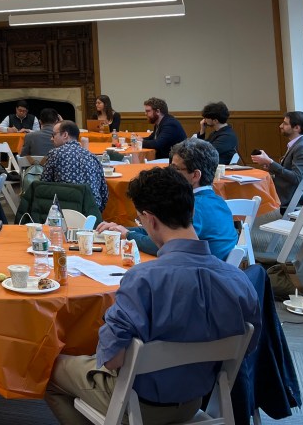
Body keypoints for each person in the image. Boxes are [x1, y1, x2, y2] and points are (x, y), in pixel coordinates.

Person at [46, 166, 260, 425]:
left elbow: (112, 360)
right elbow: (247, 346)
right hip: (195, 400)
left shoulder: (142, 279)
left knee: (47, 370)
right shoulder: (239, 281)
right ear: (191, 210)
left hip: (137, 405)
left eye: (139, 220)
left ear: (150, 219)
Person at [98, 138, 238, 260]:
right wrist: (121, 229)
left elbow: (164, 245)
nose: (170, 173)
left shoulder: (195, 207)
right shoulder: (219, 201)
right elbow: (164, 230)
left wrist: (128, 235)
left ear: (195, 175)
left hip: (197, 276)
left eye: (175, 169)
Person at [250, 111, 303, 209]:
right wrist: (270, 165)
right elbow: (289, 170)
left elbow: (297, 178)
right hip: (287, 191)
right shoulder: (300, 144)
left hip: (289, 196)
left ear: (297, 128)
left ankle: (244, 222)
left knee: (249, 195)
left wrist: (270, 162)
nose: (280, 126)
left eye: (285, 124)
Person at [41, 120, 108, 210]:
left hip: (65, 211)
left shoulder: (55, 153)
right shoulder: (92, 156)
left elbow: (43, 186)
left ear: (65, 135)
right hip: (92, 211)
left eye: (54, 135)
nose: (51, 139)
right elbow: (104, 192)